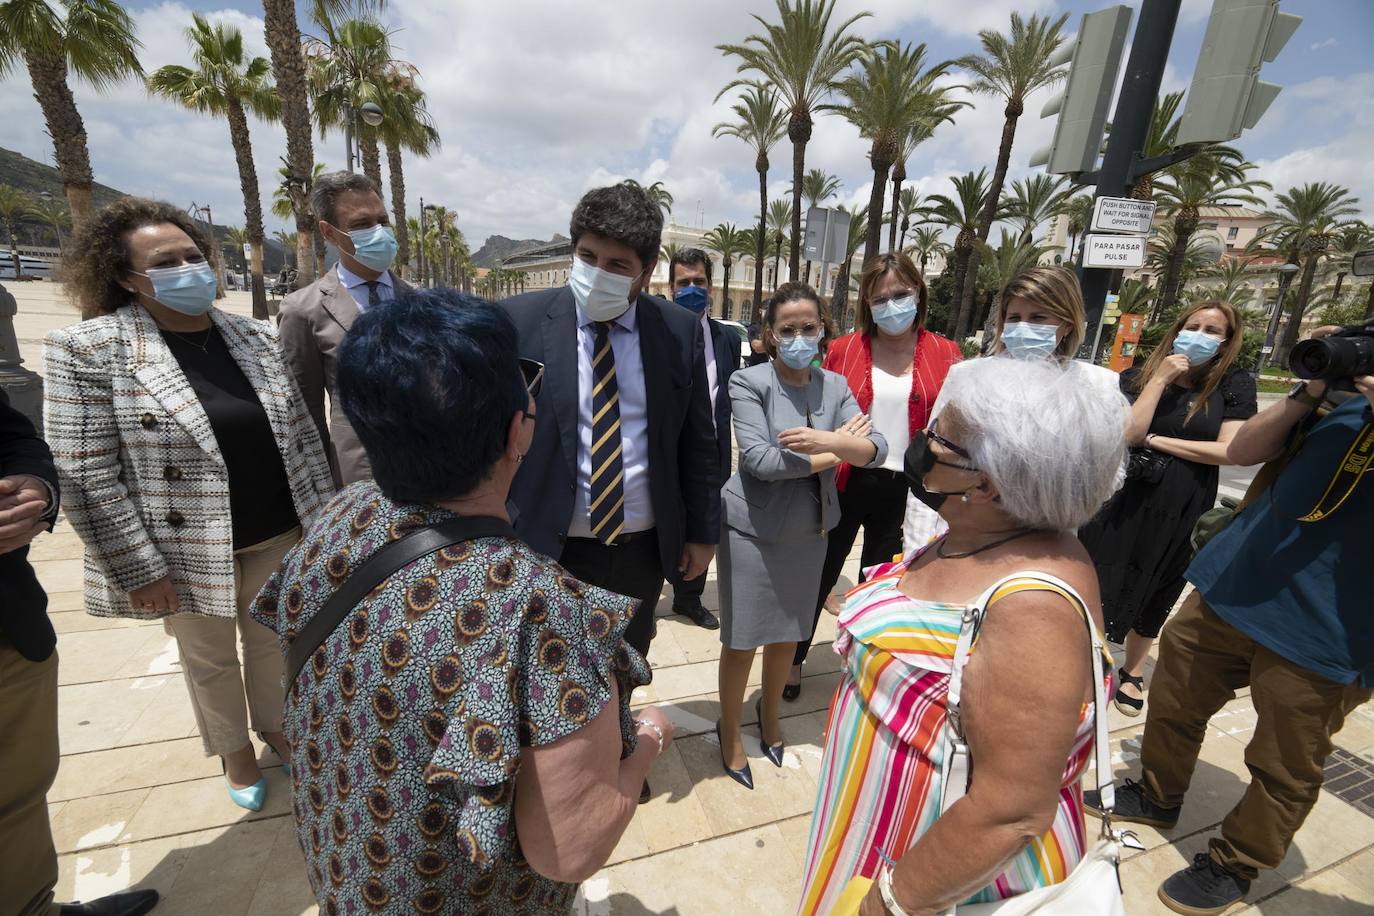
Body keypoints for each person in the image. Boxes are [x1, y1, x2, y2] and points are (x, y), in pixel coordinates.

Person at [251, 290, 669, 914]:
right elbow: (571, 849)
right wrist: (651, 741)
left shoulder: (339, 519)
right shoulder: (541, 606)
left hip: (348, 866)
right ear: (515, 433)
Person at [798, 356, 1126, 915]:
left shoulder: (1033, 605)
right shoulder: (976, 532)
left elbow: (1011, 809)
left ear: (988, 484)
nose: (922, 443)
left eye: (940, 440)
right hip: (878, 823)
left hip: (933, 870)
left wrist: (889, 903)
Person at [43, 198, 335, 811]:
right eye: (165, 261)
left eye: (194, 256)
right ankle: (234, 751)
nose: (187, 269)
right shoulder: (89, 349)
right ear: (125, 277)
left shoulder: (254, 336)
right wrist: (136, 567)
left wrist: (326, 525)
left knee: (271, 641)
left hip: (279, 529)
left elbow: (304, 436)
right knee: (208, 657)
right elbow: (84, 469)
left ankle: (277, 728)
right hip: (181, 547)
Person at [1086, 339, 1373, 914]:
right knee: (1174, 696)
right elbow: (1246, 448)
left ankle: (1235, 862)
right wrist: (1310, 391)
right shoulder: (1341, 399)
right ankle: (1159, 793)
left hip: (1332, 627)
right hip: (1237, 583)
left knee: (1285, 760)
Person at [500, 182, 720, 662]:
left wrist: (703, 534)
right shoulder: (517, 322)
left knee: (625, 669)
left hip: (638, 552)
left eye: (617, 265)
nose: (598, 273)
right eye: (587, 256)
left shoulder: (677, 332)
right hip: (542, 546)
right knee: (541, 676)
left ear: (646, 270)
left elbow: (698, 441)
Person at [716, 282, 886, 789]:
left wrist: (824, 443)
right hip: (752, 529)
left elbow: (875, 447)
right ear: (769, 334)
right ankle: (730, 733)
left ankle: (769, 720)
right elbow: (762, 462)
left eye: (807, 327)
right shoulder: (748, 383)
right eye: (786, 329)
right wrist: (838, 446)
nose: (798, 337)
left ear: (823, 330)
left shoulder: (834, 387)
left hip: (811, 531)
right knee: (743, 638)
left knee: (789, 635)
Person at [1, 391, 161, 916]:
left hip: (8, 628)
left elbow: (13, 437)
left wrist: (35, 490)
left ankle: (30, 906)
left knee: (16, 793)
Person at [793, 252, 961, 700]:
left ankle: (862, 665)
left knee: (882, 582)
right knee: (820, 574)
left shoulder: (946, 352)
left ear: (919, 294)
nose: (891, 305)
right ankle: (794, 661)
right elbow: (820, 407)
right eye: (881, 297)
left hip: (910, 489)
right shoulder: (844, 349)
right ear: (866, 301)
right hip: (847, 480)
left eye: (901, 294)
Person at [1077, 299, 1256, 716]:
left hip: (1183, 500)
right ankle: (1087, 656)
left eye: (1213, 331)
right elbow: (1128, 431)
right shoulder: (1140, 375)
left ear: (1228, 341)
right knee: (1099, 571)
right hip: (1125, 493)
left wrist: (1158, 442)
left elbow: (1231, 451)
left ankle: (1134, 670)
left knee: (1160, 579)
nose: (1200, 336)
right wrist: (1159, 380)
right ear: (1176, 329)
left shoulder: (1234, 384)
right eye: (1192, 326)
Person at [278, 171, 412, 486]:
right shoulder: (303, 310)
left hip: (431, 471)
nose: (378, 232)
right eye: (362, 225)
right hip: (359, 474)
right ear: (329, 232)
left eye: (383, 221)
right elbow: (306, 415)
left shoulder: (417, 299)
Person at [663, 246, 740, 631]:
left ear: (710, 287)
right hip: (670, 446)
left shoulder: (725, 337)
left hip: (714, 445)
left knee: (703, 520)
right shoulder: (659, 330)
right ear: (670, 286)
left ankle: (687, 597)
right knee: (667, 518)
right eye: (684, 282)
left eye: (699, 282)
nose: (692, 288)